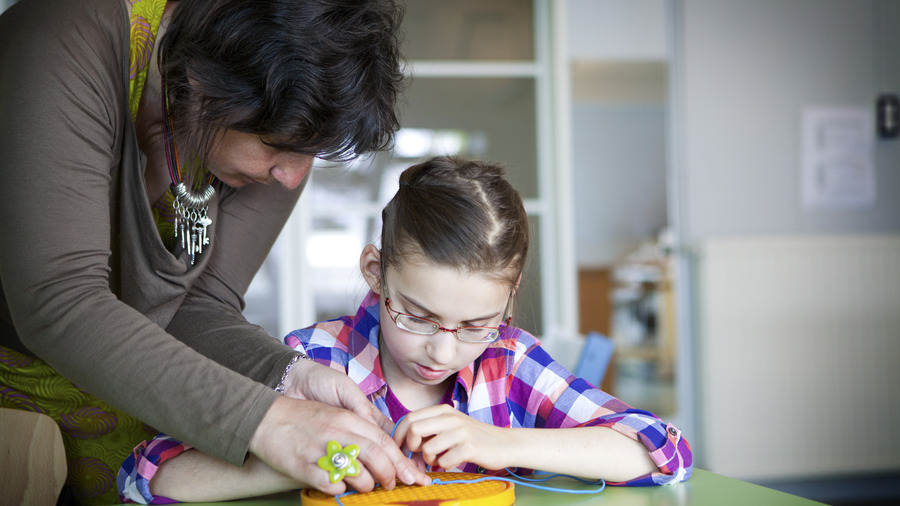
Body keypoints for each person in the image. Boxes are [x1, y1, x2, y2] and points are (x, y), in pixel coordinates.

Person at [0, 0, 431, 504]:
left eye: (309, 153)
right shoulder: (70, 32)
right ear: (205, 81)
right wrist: (265, 420)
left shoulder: (285, 125)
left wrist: (289, 374)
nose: (291, 177)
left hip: (136, 401)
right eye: (279, 145)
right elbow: (60, 302)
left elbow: (198, 306)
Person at [118, 156, 693, 503]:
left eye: (476, 324)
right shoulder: (314, 361)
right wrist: (305, 456)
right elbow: (150, 474)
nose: (442, 350)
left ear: (508, 301)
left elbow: (664, 452)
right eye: (416, 316)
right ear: (376, 274)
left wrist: (499, 443)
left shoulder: (510, 364)